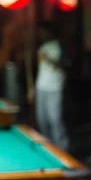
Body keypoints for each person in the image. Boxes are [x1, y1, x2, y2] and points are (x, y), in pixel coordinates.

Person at [34, 22, 69, 151]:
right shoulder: (43, 46)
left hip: (55, 87)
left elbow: (64, 65)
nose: (41, 35)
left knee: (55, 120)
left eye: (43, 32)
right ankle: (48, 149)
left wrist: (48, 59)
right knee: (42, 120)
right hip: (41, 87)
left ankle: (63, 149)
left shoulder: (60, 45)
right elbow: (40, 69)